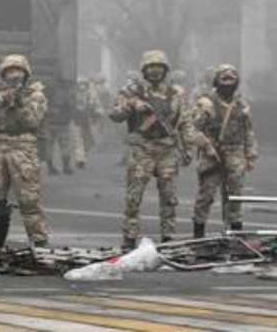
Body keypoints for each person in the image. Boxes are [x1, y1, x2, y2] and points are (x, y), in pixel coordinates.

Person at [108, 50, 212, 249]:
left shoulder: (176, 94)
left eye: (159, 68)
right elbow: (114, 114)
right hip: (142, 149)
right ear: (144, 70)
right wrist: (132, 104)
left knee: (169, 198)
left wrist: (188, 149)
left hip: (167, 150)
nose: (155, 72)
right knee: (134, 197)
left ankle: (168, 238)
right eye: (150, 68)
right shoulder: (132, 91)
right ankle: (129, 239)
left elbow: (185, 123)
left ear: (165, 70)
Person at [0, 54, 50, 247]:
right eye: (10, 71)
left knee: (29, 199)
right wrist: (3, 98)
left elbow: (32, 121)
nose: (14, 75)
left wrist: (19, 104)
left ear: (25, 73)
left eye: (17, 71)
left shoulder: (36, 96)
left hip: (23, 147)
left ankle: (38, 240)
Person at [191, 64, 258, 237]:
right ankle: (198, 235)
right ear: (216, 80)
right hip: (212, 155)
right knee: (206, 195)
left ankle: (235, 235)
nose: (228, 81)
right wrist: (207, 146)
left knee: (235, 197)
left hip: (235, 155)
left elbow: (248, 131)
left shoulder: (241, 104)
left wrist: (250, 156)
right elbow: (192, 129)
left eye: (232, 77)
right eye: (224, 77)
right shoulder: (206, 103)